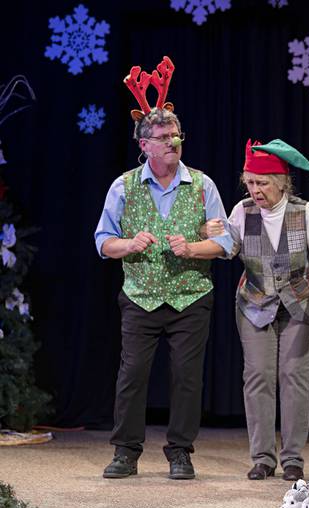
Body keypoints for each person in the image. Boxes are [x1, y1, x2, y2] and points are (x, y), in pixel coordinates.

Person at [94, 57, 232, 480]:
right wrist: (129, 244)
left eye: (176, 135)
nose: (173, 142)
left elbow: (225, 243)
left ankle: (180, 452)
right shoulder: (123, 185)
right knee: (132, 374)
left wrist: (192, 248)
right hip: (140, 293)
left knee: (187, 378)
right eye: (163, 137)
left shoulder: (203, 185)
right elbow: (102, 241)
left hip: (191, 295)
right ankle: (125, 452)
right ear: (144, 145)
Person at [206, 139, 309, 482]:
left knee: (294, 375)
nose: (255, 190)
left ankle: (293, 458)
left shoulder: (303, 211)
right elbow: (228, 247)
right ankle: (263, 457)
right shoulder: (242, 211)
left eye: (262, 183)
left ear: (281, 182)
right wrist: (213, 234)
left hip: (301, 300)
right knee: (258, 376)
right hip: (255, 301)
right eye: (250, 183)